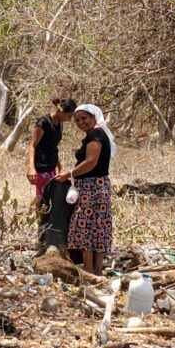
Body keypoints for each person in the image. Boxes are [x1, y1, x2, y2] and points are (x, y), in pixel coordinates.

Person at [54, 104, 114, 274]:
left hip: (92, 187)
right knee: (98, 227)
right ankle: (96, 271)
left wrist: (69, 174)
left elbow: (90, 162)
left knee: (85, 227)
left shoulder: (96, 134)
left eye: (84, 118)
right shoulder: (96, 134)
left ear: (93, 117)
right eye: (77, 120)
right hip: (97, 186)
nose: (81, 122)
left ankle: (89, 270)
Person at [27, 98, 76, 206]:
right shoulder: (44, 122)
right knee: (42, 201)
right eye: (68, 116)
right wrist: (31, 167)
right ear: (61, 111)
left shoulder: (59, 124)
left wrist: (60, 167)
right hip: (41, 168)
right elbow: (32, 145)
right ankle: (40, 222)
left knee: (51, 200)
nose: (69, 119)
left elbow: (53, 147)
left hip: (51, 167)